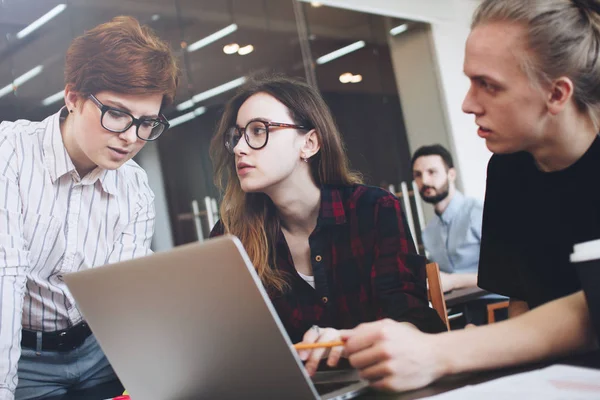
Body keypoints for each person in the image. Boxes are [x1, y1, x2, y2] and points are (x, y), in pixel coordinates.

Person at [341, 0, 600, 392]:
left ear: (557, 93)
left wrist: (437, 352)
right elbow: (521, 301)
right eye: (469, 81)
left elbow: (592, 310)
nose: (467, 104)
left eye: (489, 85)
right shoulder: (508, 168)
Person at [209, 75, 446, 377]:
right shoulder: (231, 235)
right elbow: (233, 346)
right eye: (237, 135)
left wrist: (349, 341)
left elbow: (412, 321)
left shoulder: (372, 209)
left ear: (309, 143)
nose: (239, 148)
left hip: (378, 385)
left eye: (258, 131)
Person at [0, 16, 178, 400]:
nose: (131, 137)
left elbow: (124, 298)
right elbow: (5, 281)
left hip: (98, 350)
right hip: (24, 356)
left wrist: (152, 381)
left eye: (147, 122)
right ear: (73, 97)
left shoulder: (134, 186)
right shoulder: (9, 155)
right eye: (116, 114)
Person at [411, 144, 481, 292]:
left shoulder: (479, 212)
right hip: (456, 309)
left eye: (432, 172)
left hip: (496, 307)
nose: (424, 181)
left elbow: (508, 271)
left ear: (451, 175)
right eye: (418, 175)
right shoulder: (429, 232)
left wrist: (453, 281)